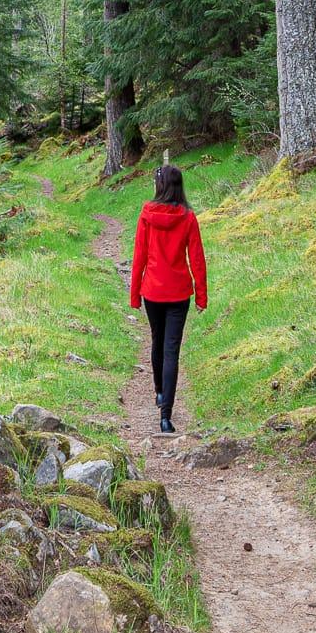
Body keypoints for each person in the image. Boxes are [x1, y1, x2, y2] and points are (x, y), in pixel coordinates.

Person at [129, 163, 207, 433]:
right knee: (171, 350)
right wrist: (201, 296)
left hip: (152, 290)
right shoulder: (188, 217)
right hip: (178, 293)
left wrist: (135, 294)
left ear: (160, 186)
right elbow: (196, 258)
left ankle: (160, 391)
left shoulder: (146, 214)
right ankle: (166, 417)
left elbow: (139, 255)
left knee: (157, 341)